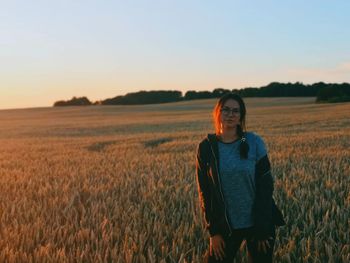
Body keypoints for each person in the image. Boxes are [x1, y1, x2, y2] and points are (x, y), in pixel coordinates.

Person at [195, 93, 286, 262]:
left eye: (235, 111)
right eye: (226, 110)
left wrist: (263, 227)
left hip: (257, 223)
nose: (230, 115)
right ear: (218, 113)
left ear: (241, 116)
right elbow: (205, 193)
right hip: (226, 226)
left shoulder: (252, 141)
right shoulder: (207, 147)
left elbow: (266, 186)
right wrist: (213, 232)